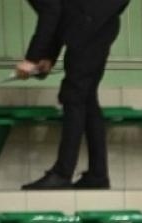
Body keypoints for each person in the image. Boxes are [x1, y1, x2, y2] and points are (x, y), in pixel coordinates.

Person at [15, 0, 129, 190]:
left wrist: (32, 58)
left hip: (90, 26)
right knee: (87, 99)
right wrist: (48, 56)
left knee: (74, 96)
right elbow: (65, 10)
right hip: (97, 25)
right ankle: (97, 175)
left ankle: (63, 173)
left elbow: (51, 11)